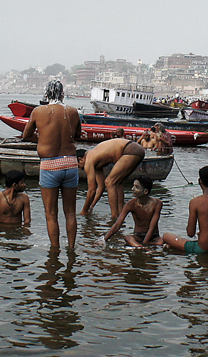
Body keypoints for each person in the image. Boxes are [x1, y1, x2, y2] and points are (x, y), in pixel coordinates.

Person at [21, 81, 82, 252]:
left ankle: (55, 252)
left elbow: (26, 135)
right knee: (70, 212)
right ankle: (71, 250)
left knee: (51, 214)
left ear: (46, 95)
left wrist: (42, 140)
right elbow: (77, 135)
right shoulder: (72, 111)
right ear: (63, 94)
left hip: (49, 164)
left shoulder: (38, 111)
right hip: (70, 163)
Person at [163, 166, 208, 254]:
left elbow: (190, 233)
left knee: (166, 236)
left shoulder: (195, 202)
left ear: (199, 181)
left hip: (202, 248)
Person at [79, 138, 147, 219]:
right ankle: (121, 215)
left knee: (110, 181)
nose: (80, 169)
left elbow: (91, 190)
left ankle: (114, 217)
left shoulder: (89, 160)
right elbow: (100, 188)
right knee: (117, 182)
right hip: (137, 149)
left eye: (78, 166)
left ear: (80, 159)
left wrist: (84, 210)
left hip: (129, 150)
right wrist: (91, 206)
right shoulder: (96, 161)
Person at [102, 175, 163, 247]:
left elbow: (152, 227)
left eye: (136, 187)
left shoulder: (157, 203)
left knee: (164, 239)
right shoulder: (130, 204)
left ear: (145, 191)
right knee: (128, 238)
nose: (132, 189)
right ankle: (140, 247)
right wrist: (104, 240)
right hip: (138, 236)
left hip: (154, 236)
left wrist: (145, 243)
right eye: (133, 186)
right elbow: (117, 224)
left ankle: (140, 246)